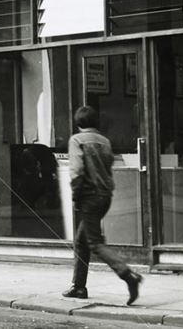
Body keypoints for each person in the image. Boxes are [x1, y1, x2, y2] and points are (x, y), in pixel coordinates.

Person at [63, 106, 143, 305]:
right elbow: (108, 166)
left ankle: (127, 275)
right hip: (104, 196)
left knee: (94, 242)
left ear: (78, 123)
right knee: (82, 241)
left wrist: (76, 197)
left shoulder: (77, 140)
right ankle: (78, 286)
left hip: (88, 196)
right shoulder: (105, 141)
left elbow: (77, 171)